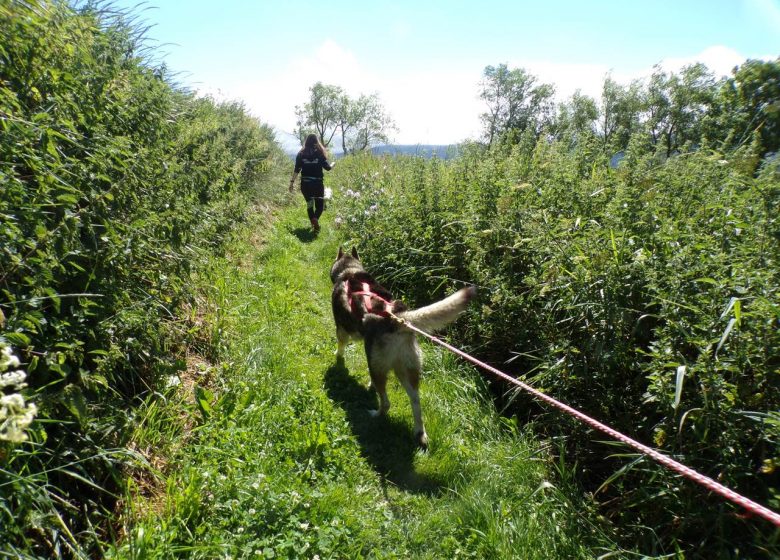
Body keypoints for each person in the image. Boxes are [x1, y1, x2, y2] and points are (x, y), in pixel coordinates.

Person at [289, 134, 334, 232]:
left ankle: (314, 223)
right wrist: (333, 164)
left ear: (306, 141)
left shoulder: (301, 154)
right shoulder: (320, 153)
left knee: (309, 204)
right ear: (316, 141)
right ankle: (315, 219)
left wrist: (292, 182)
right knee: (320, 206)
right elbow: (328, 168)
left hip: (305, 185)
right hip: (317, 184)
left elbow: (297, 169)